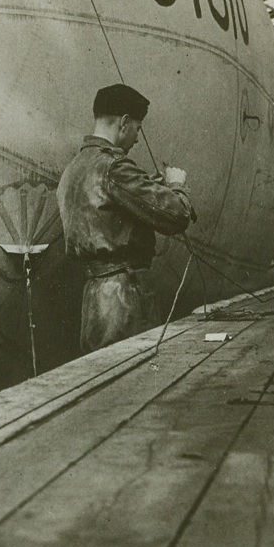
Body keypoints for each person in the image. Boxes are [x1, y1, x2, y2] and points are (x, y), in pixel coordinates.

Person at [57, 83, 194, 352]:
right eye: (137, 129)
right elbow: (176, 215)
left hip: (94, 301)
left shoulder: (73, 170)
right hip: (126, 297)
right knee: (136, 378)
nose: (137, 138)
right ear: (123, 123)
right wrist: (176, 185)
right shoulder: (114, 168)